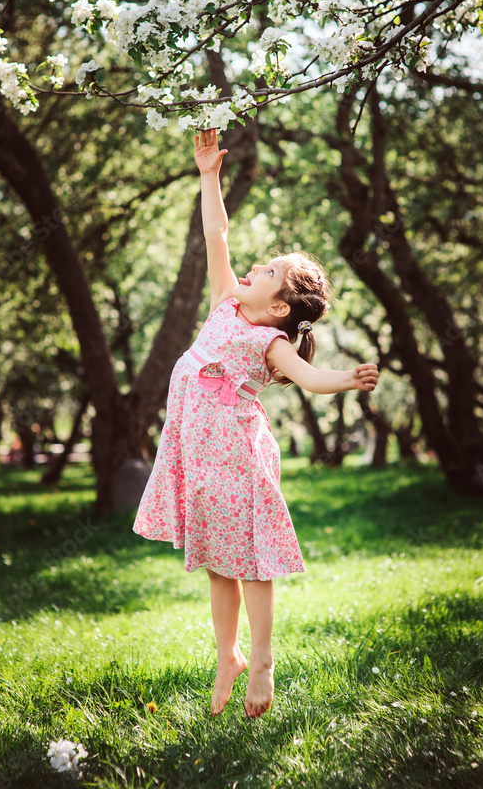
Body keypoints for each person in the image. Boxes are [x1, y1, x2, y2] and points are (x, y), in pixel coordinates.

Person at [132, 128, 379, 720]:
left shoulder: (268, 338)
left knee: (254, 558)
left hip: (237, 455)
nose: (252, 267)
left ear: (278, 308)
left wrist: (347, 378)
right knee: (219, 560)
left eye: (267, 271)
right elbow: (216, 233)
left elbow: (309, 378)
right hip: (196, 449)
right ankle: (228, 657)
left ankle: (263, 660)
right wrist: (208, 175)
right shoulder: (224, 303)